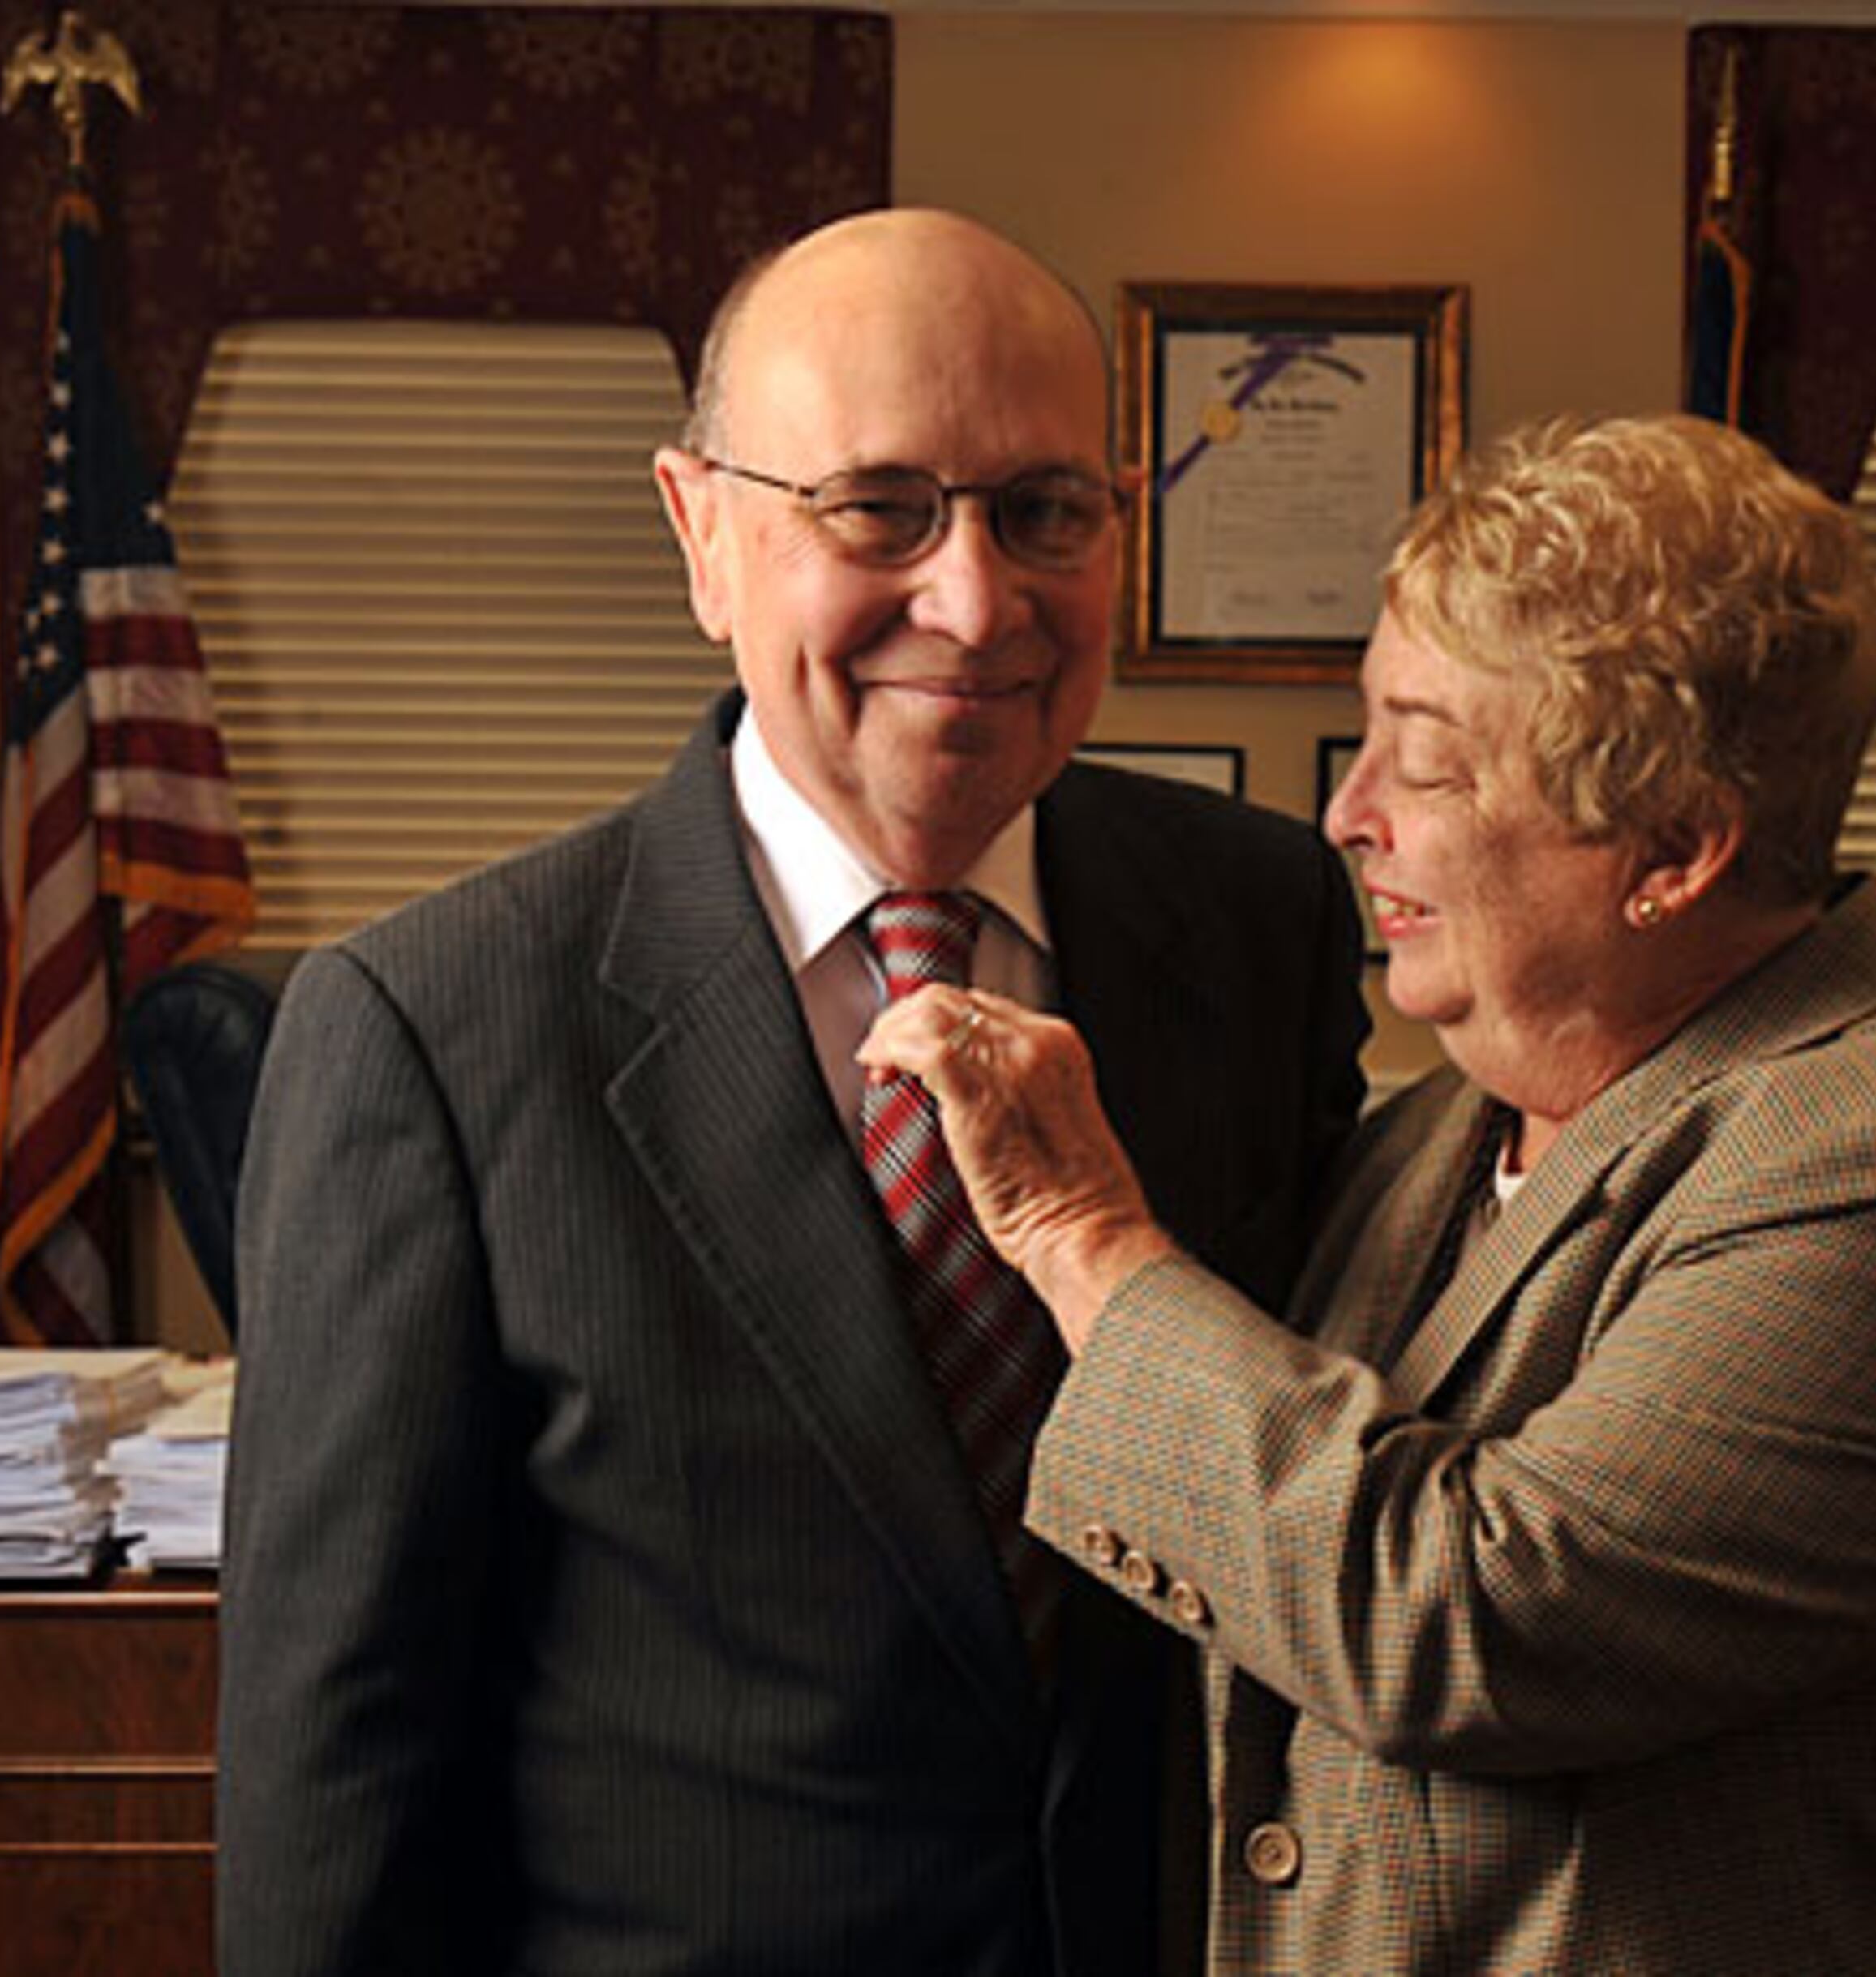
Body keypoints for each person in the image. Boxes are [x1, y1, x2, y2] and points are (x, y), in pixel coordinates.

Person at [864, 413, 1876, 1974]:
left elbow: (1470, 1623)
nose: (1348, 811)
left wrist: (1081, 1236)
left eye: (1425, 761)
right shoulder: (1441, 1130)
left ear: (1674, 849)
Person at [212, 207, 1369, 1977]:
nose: (975, 601)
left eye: (1043, 511)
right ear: (703, 531)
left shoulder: (1263, 921)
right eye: (879, 506)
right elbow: (339, 1758)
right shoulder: (435, 1027)